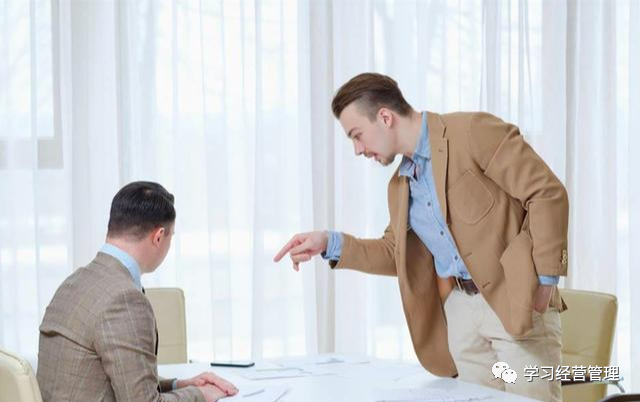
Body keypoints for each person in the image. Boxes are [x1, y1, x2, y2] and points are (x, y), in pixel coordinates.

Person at [274, 73, 569, 402]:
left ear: (385, 117)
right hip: (463, 317)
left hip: (516, 303)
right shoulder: (400, 186)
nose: (357, 150)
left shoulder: (473, 131)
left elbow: (546, 193)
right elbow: (394, 252)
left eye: (357, 135)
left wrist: (545, 280)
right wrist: (328, 242)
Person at [37, 181, 238, 402]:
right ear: (158, 236)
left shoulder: (75, 282)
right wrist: (200, 394)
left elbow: (111, 378)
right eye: (171, 236)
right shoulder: (124, 299)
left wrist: (177, 385)